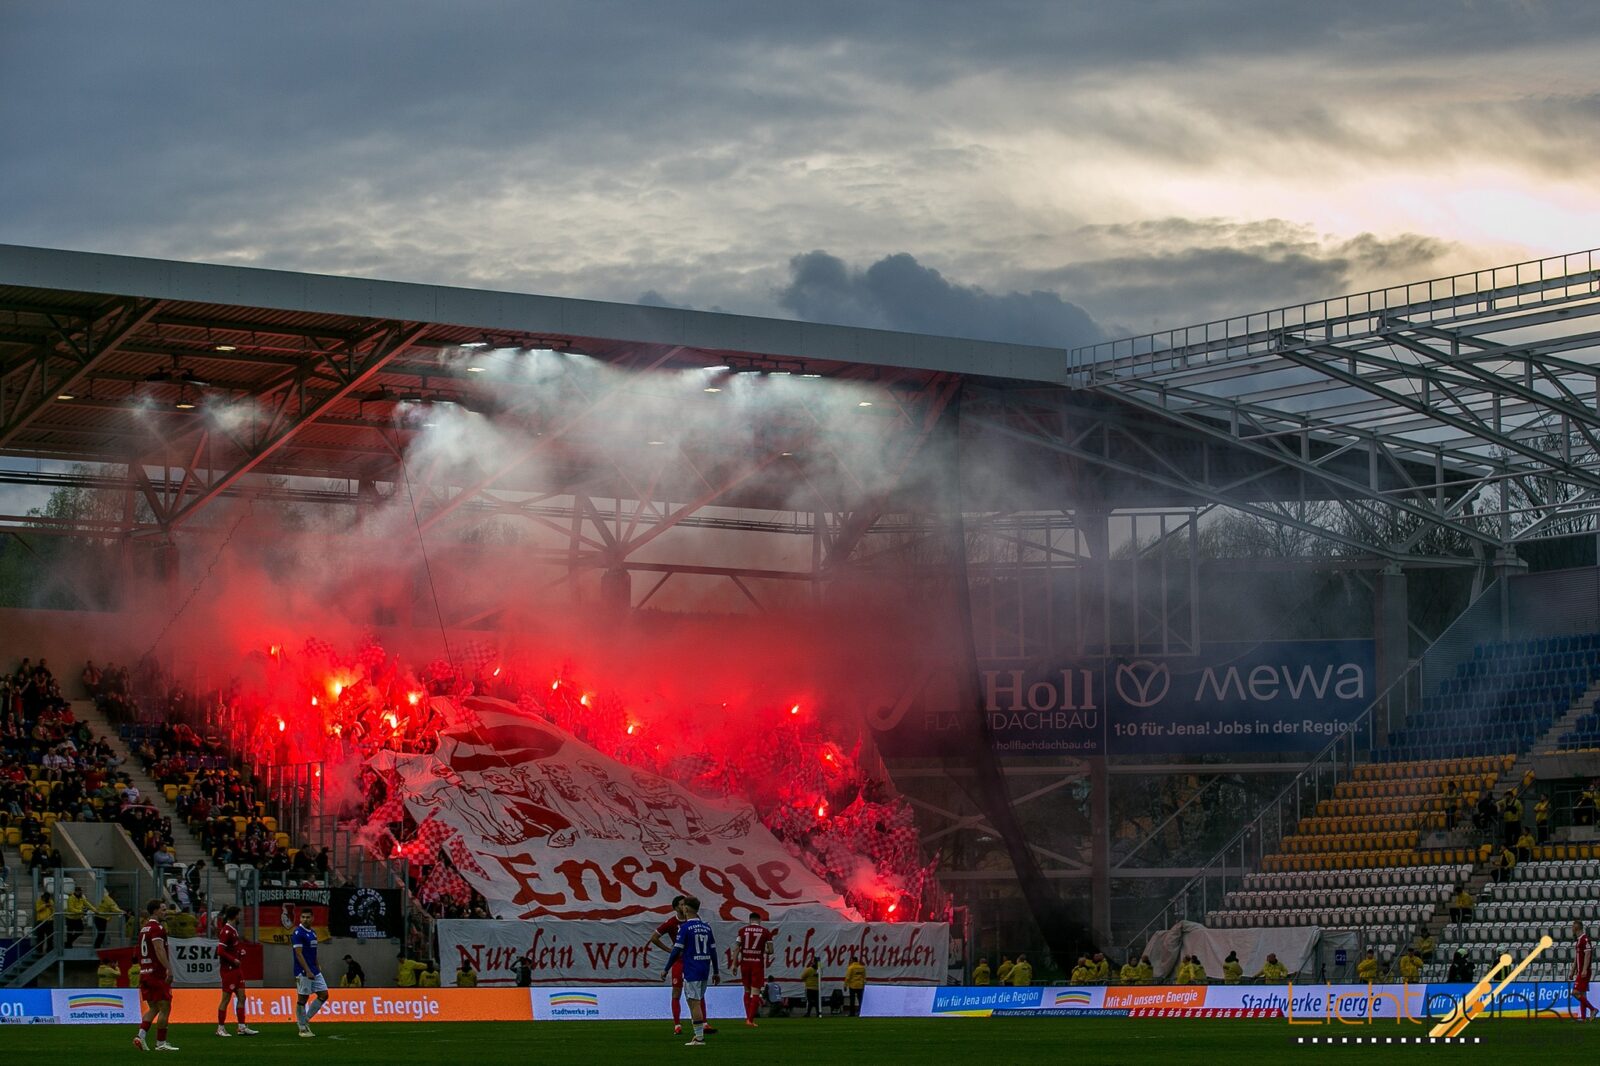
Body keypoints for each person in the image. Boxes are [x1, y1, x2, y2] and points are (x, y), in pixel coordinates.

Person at [662, 895, 719, 1047]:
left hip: (692, 969)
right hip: (705, 968)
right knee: (697, 1001)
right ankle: (699, 1033)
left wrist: (666, 968)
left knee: (693, 1003)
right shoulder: (707, 927)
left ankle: (699, 1038)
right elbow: (713, 951)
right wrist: (716, 972)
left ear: (686, 908)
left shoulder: (685, 928)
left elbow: (676, 951)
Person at [133, 899, 178, 1052]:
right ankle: (161, 1043)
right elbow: (159, 949)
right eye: (163, 910)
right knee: (165, 1007)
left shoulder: (144, 929)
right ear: (155, 911)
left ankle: (140, 1036)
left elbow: (139, 952)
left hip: (145, 973)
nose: (165, 912)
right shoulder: (157, 928)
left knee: (153, 1008)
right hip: (157, 975)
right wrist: (169, 969)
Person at [648, 895, 690, 1035]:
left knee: (697, 992)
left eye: (686, 904)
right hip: (678, 961)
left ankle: (704, 1023)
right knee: (676, 992)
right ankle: (677, 1025)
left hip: (692, 960)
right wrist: (669, 950)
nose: (685, 907)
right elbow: (654, 937)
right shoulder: (672, 922)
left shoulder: (694, 920)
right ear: (676, 907)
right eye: (682, 905)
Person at [215, 904, 258, 1037]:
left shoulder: (234, 930)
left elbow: (231, 949)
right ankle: (220, 1028)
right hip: (228, 970)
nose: (241, 917)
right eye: (239, 914)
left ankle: (241, 1027)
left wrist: (240, 952)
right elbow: (220, 951)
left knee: (242, 997)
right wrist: (233, 960)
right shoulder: (226, 930)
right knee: (226, 999)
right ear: (235, 915)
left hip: (236, 970)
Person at [291, 908, 329, 1038]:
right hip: (303, 971)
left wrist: (317, 965)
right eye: (303, 917)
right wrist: (307, 970)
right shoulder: (298, 933)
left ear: (312, 918)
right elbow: (298, 953)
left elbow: (313, 951)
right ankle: (302, 1028)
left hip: (314, 969)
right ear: (300, 918)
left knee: (324, 994)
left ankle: (305, 1019)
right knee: (303, 998)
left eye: (308, 917)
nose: (305, 919)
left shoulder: (313, 933)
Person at [735, 910, 775, 1026]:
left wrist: (734, 964)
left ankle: (747, 1016)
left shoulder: (742, 931)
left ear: (749, 920)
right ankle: (750, 1020)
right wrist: (765, 950)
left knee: (747, 990)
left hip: (745, 963)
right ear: (759, 920)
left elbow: (736, 948)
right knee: (756, 991)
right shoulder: (765, 932)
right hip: (757, 963)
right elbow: (771, 950)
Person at [1573, 920, 1597, 1021]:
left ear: (1577, 927)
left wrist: (1584, 970)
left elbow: (1588, 954)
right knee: (1582, 994)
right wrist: (1572, 970)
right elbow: (1577, 957)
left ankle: (1593, 1009)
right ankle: (1583, 1018)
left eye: (1573, 926)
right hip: (1580, 970)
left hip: (1584, 971)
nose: (1572, 928)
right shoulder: (1579, 940)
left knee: (1575, 992)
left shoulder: (1585, 939)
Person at [801, 952, 820, 1017]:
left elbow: (802, 977)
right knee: (817, 1002)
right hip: (817, 988)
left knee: (809, 1002)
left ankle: (808, 1013)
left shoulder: (809, 969)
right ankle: (818, 1013)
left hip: (809, 988)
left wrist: (806, 980)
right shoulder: (819, 970)